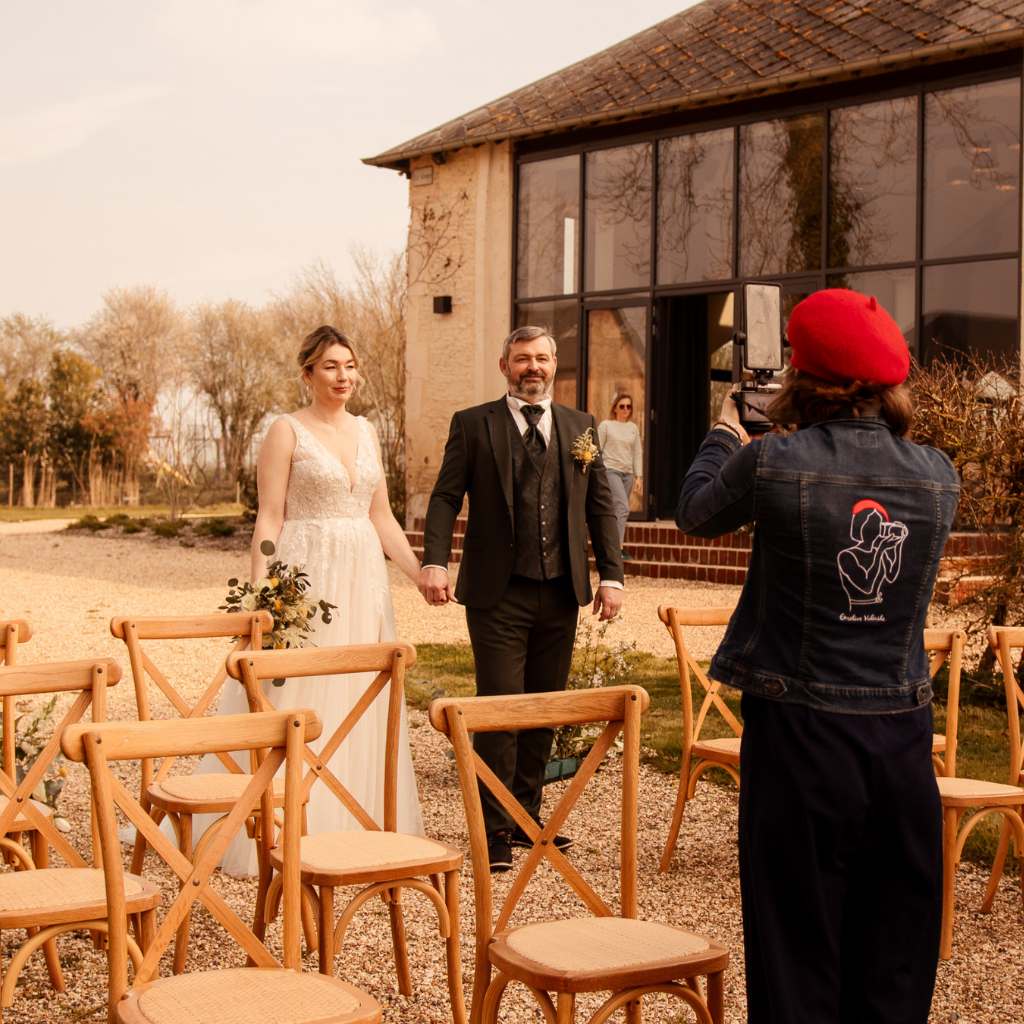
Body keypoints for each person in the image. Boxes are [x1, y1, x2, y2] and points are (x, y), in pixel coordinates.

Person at [675, 289, 959, 1024]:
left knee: (796, 947)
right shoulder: (938, 474)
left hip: (799, 733)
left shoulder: (773, 461)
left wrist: (724, 433)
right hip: (901, 736)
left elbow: (695, 513)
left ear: (802, 378)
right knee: (894, 953)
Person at [204, 324, 424, 876]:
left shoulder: (368, 431)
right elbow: (269, 517)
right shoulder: (286, 431)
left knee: (360, 691)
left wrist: (419, 574)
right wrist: (263, 592)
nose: (342, 376)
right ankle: (282, 826)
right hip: (306, 577)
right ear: (308, 373)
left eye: (349, 365)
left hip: (363, 579)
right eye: (330, 366)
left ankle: (357, 819)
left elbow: (381, 516)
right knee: (301, 690)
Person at [419, 325, 624, 872]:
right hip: (497, 594)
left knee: (544, 711)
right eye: (521, 358)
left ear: (555, 364)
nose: (532, 367)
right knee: (501, 710)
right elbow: (445, 497)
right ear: (504, 365)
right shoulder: (473, 424)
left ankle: (528, 820)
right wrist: (435, 560)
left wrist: (612, 575)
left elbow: (601, 506)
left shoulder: (581, 427)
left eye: (541, 358)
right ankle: (494, 830)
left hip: (561, 590)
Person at [597, 392, 643, 555]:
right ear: (615, 408)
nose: (625, 409)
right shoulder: (606, 425)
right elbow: (597, 449)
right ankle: (618, 548)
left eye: (628, 407)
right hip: (611, 471)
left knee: (617, 511)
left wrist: (638, 476)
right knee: (623, 507)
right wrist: (598, 472)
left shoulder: (633, 428)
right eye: (622, 406)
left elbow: (637, 452)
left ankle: (609, 546)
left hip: (627, 475)